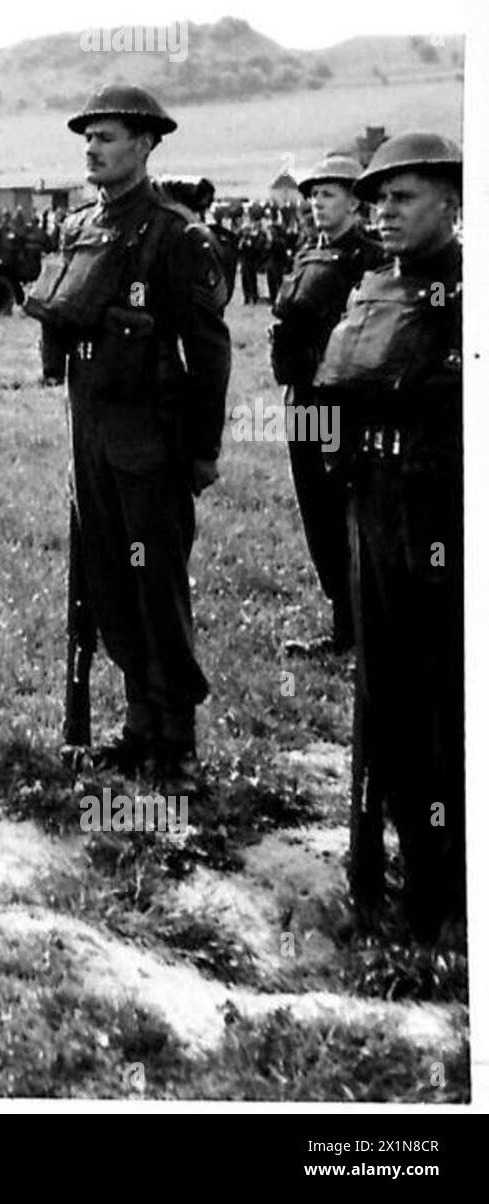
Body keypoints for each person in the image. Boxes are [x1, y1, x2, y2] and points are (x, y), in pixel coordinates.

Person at [35, 84, 230, 779]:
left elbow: (209, 351)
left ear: (145, 146)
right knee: (110, 583)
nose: (93, 149)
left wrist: (202, 449)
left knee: (155, 585)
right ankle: (139, 718)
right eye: (88, 138)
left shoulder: (176, 235)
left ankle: (175, 728)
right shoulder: (81, 226)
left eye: (108, 137)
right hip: (90, 431)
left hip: (150, 436)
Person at [314, 133, 463, 942]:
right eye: (378, 200)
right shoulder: (375, 286)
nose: (385, 213)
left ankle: (446, 878)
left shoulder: (466, 292)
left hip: (442, 518)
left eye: (402, 198)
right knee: (387, 694)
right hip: (374, 508)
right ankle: (396, 859)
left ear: (451, 201)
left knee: (446, 697)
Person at [269, 154, 385, 657]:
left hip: (340, 400)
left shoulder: (371, 256)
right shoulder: (306, 251)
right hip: (303, 396)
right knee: (316, 506)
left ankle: (365, 623)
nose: (317, 203)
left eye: (329, 194)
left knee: (346, 505)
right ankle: (343, 621)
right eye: (313, 194)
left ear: (356, 202)